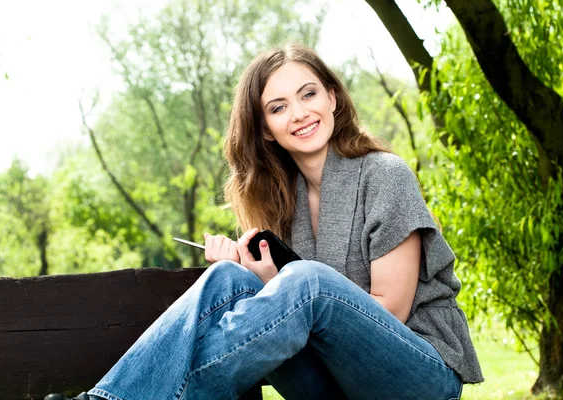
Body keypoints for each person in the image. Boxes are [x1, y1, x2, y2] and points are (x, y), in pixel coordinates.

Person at [47, 43, 483, 400]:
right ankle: (103, 399)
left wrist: (290, 289)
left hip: (418, 376)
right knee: (228, 280)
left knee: (307, 281)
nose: (299, 113)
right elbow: (299, 313)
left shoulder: (384, 175)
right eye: (278, 107)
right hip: (335, 383)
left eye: (308, 95)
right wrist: (267, 281)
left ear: (332, 98)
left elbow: (391, 310)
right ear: (267, 130)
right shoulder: (280, 202)